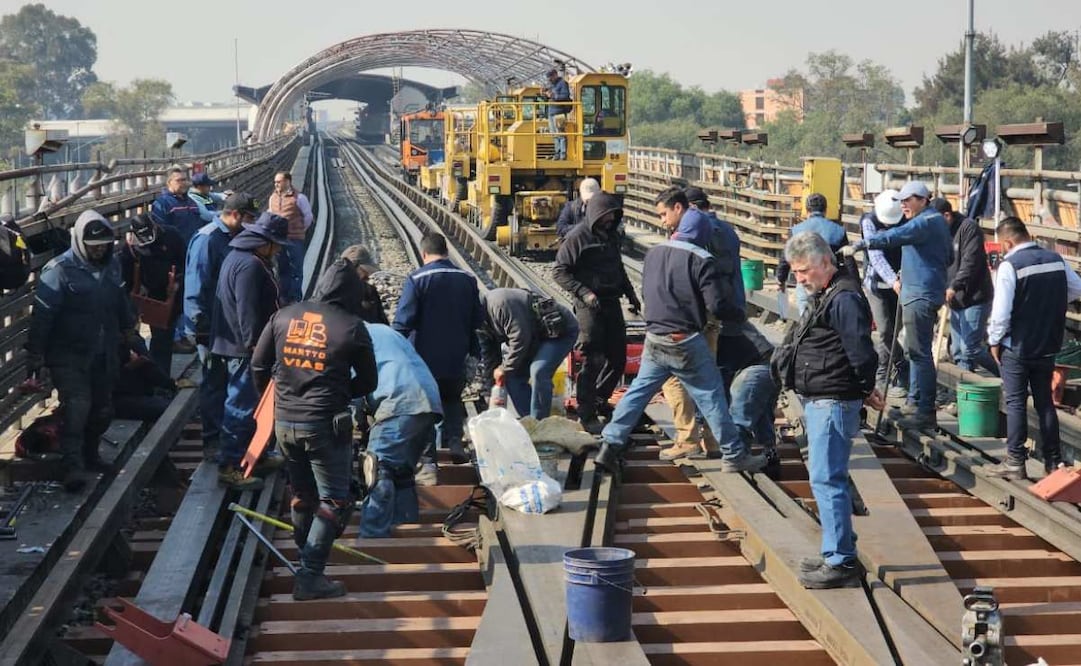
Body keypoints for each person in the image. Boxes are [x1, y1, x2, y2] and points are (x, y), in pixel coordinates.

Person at [593, 206, 763, 476]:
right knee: (712, 396)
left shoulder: (655, 252)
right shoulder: (701, 258)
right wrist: (739, 313)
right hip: (684, 340)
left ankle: (610, 444)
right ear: (702, 235)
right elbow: (717, 305)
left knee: (638, 393)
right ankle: (733, 454)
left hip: (655, 336)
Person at [251, 258, 378, 600]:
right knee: (334, 499)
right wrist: (336, 394)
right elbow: (368, 381)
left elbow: (258, 365)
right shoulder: (351, 327)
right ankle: (309, 577)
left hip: (284, 422)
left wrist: (276, 398)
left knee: (302, 493)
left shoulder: (283, 316)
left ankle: (305, 558)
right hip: (324, 425)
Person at [775, 232, 883, 588]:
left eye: (804, 271)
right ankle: (836, 549)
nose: (800, 278)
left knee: (826, 478)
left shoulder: (845, 299)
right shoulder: (828, 293)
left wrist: (865, 389)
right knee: (826, 476)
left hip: (833, 399)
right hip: (824, 396)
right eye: (796, 272)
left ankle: (840, 561)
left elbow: (861, 352)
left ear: (825, 262)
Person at [26, 210, 137, 492]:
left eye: (103, 246)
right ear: (79, 242)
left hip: (104, 351)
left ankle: (91, 454)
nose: (99, 251)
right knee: (77, 406)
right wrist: (35, 358)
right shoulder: (58, 271)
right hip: (68, 355)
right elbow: (43, 316)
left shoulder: (112, 267)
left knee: (102, 408)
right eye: (93, 246)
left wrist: (129, 333)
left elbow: (121, 301)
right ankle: (70, 465)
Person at [844, 181, 952, 429]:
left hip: (919, 294)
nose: (903, 204)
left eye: (908, 199)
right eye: (901, 200)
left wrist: (863, 244)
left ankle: (924, 409)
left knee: (920, 353)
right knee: (916, 351)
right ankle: (915, 402)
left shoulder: (924, 222)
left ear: (923, 199)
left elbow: (895, 235)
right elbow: (949, 257)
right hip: (923, 290)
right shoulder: (934, 222)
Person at [985, 218, 1081, 480]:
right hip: (1048, 343)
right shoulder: (1056, 260)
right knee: (1045, 403)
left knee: (1015, 402)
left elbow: (1001, 312)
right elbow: (1075, 289)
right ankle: (1053, 461)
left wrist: (994, 340)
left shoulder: (1010, 266)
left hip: (1017, 345)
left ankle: (1015, 461)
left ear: (1007, 242)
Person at [211, 212, 289, 489]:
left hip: (237, 344)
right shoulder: (250, 266)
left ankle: (257, 454)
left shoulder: (240, 257)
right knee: (241, 405)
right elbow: (247, 312)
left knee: (253, 403)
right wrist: (256, 346)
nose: (279, 249)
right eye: (276, 244)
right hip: (244, 348)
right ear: (264, 242)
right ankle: (230, 465)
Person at [393, 233, 482, 474]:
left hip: (424, 359)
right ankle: (453, 442)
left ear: (424, 254)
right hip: (456, 357)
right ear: (447, 252)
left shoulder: (417, 279)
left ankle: (429, 461)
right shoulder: (467, 279)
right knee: (452, 400)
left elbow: (403, 322)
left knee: (425, 408)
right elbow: (477, 320)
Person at [653, 187, 730, 460]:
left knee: (674, 379)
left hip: (692, 317)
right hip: (711, 314)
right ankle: (714, 440)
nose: (663, 221)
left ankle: (687, 439)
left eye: (664, 214)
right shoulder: (720, 228)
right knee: (708, 379)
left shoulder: (690, 235)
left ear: (679, 207)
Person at [553, 192, 640, 433]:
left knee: (618, 357)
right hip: (588, 305)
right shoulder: (578, 237)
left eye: (614, 214)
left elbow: (619, 268)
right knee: (593, 358)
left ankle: (601, 398)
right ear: (598, 213)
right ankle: (586, 411)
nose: (612, 218)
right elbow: (560, 271)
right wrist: (584, 293)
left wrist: (631, 295)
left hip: (611, 302)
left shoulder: (611, 236)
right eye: (608, 214)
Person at [184, 193, 260, 453]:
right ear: (235, 215)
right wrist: (198, 327)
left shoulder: (231, 237)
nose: (251, 224)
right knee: (214, 384)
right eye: (249, 218)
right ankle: (213, 440)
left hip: (227, 326)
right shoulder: (208, 239)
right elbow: (196, 285)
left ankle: (230, 440)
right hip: (210, 327)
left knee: (229, 385)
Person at [357, 324, 442, 538]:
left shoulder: (348, 335)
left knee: (378, 467)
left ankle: (372, 538)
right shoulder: (383, 331)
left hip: (398, 400)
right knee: (401, 472)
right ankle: (407, 532)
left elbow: (351, 392)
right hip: (428, 398)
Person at [478, 288, 579, 420]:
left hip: (559, 333)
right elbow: (490, 358)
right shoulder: (479, 323)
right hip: (533, 339)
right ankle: (529, 421)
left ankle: (541, 423)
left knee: (539, 370)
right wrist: (489, 391)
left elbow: (520, 338)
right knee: (512, 377)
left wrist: (504, 368)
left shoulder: (500, 303)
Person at [931, 198, 998, 376]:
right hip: (954, 300)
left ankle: (1007, 375)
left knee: (971, 347)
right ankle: (964, 391)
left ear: (947, 215)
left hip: (974, 296)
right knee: (958, 351)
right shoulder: (939, 233)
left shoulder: (968, 228)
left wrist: (954, 286)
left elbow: (971, 262)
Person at [119, 213, 186, 375]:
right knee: (134, 339)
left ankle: (161, 377)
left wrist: (177, 282)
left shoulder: (172, 236)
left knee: (163, 339)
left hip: (169, 296)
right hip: (143, 295)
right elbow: (125, 278)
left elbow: (185, 262)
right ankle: (148, 376)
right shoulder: (129, 248)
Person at [859, 190, 909, 397]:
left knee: (894, 332)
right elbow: (876, 256)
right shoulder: (868, 221)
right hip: (877, 285)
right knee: (885, 331)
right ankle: (887, 371)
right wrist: (892, 280)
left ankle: (897, 368)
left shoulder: (905, 221)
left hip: (900, 285)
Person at [721, 321, 781, 476]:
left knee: (740, 415)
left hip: (757, 367)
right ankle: (770, 458)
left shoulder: (710, 327)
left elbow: (719, 381)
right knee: (761, 414)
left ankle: (738, 458)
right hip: (770, 364)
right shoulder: (727, 315)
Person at [777, 193, 852, 314]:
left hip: (806, 281)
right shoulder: (838, 231)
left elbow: (786, 258)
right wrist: (854, 284)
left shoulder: (796, 231)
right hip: (831, 283)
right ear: (825, 210)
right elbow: (848, 259)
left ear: (807, 211)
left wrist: (781, 279)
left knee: (806, 319)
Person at [268, 171, 314, 304]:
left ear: (288, 181)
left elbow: (308, 217)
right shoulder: (273, 198)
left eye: (279, 182)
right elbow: (270, 213)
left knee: (296, 269)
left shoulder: (299, 198)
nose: (276, 184)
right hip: (278, 239)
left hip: (294, 239)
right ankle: (283, 297)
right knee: (282, 268)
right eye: (275, 182)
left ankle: (295, 298)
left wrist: (300, 230)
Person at [112, 339, 176, 422]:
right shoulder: (131, 342)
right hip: (124, 398)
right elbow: (153, 372)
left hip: (113, 399)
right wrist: (172, 384)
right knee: (170, 409)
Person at [150, 167, 202, 244]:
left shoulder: (192, 202)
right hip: (176, 250)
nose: (183, 183)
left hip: (194, 247)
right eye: (178, 180)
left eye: (184, 180)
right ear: (169, 183)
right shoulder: (162, 203)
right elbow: (161, 232)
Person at [340, 245, 389, 325]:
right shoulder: (345, 295)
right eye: (365, 270)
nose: (368, 275)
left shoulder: (368, 289)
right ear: (354, 268)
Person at [545, 68, 572, 160]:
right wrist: (544, 95)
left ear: (555, 75)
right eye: (548, 78)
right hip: (551, 112)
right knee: (554, 134)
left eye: (550, 78)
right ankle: (557, 153)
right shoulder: (552, 85)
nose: (549, 80)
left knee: (560, 133)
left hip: (559, 112)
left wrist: (554, 96)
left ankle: (563, 154)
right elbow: (549, 97)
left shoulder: (563, 84)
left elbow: (565, 96)